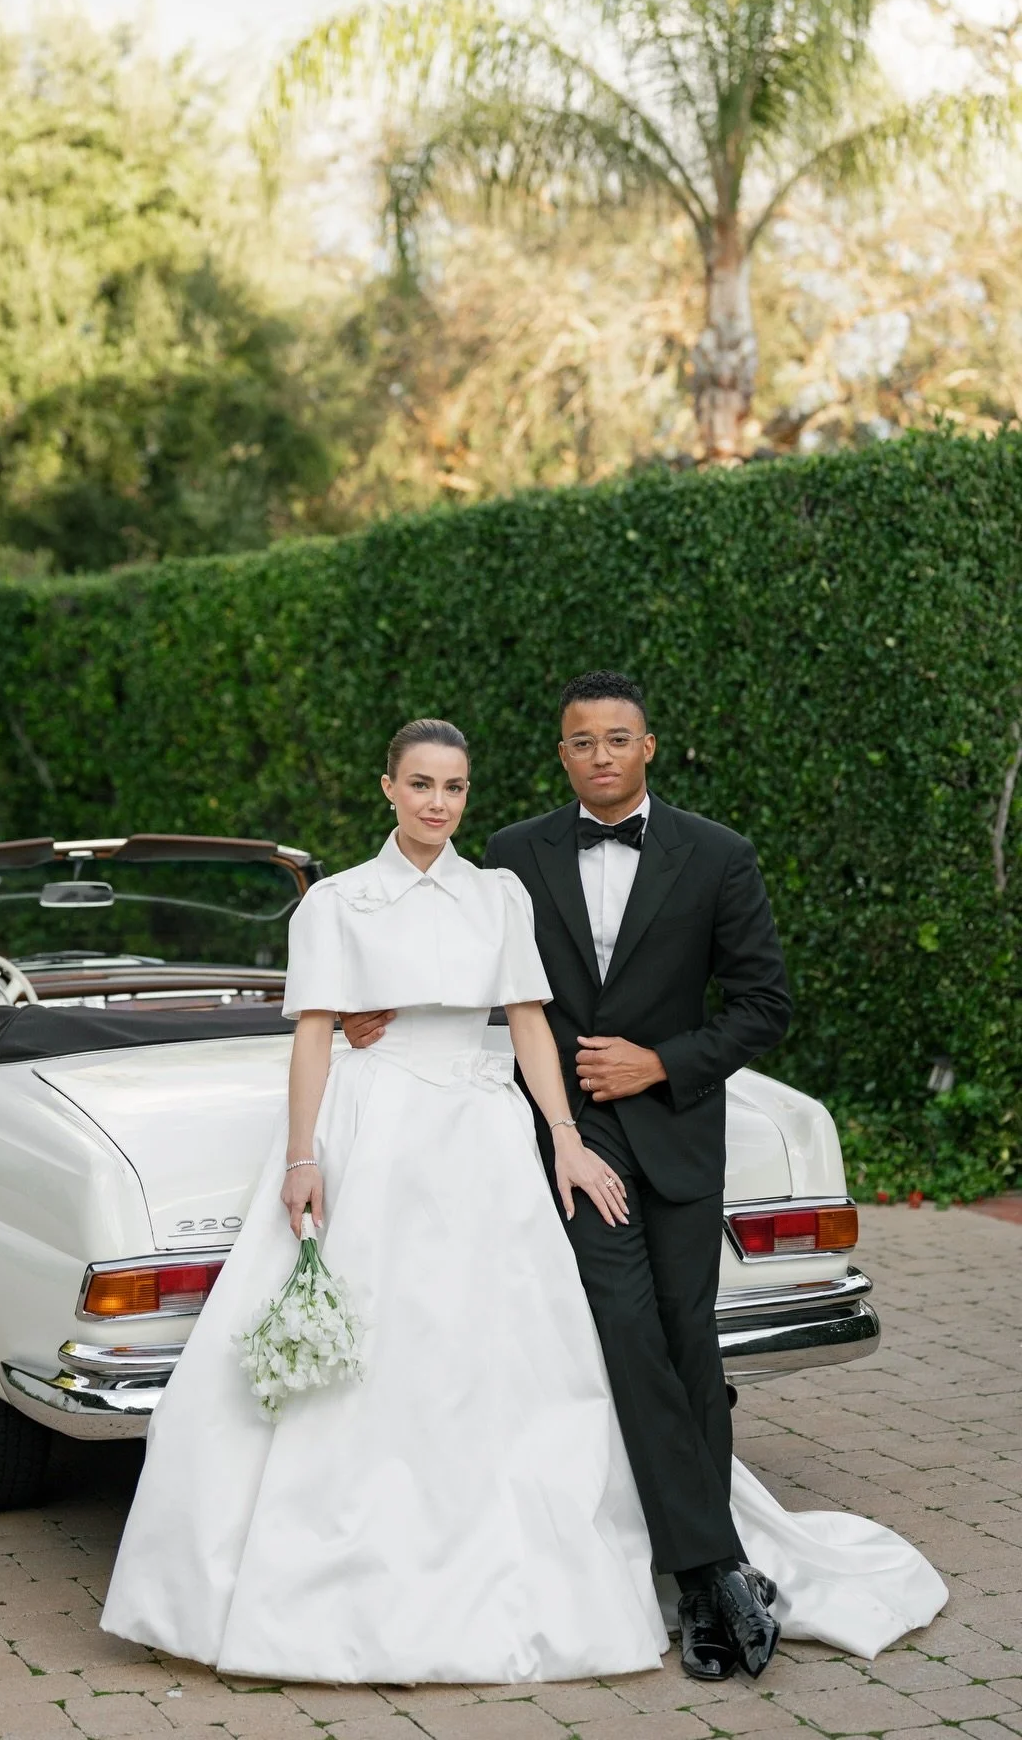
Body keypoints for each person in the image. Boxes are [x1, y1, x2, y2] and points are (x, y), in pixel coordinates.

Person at [101, 717, 945, 1685]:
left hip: (485, 1137)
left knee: (519, 1345)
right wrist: (302, 1155)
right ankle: (337, 1576)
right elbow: (316, 1034)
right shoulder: (337, 901)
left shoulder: (499, 890)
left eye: (454, 787)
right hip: (371, 1133)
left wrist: (568, 1142)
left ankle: (682, 1562)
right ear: (387, 788)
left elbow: (532, 1022)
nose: (437, 802)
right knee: (378, 1343)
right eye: (421, 784)